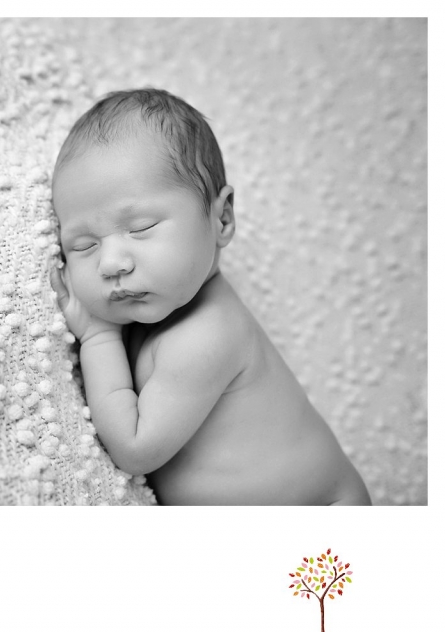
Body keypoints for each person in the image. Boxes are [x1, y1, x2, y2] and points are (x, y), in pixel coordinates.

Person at [49, 88, 371, 505]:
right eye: (83, 245)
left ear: (221, 218)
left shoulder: (207, 335)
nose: (111, 263)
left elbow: (134, 449)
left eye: (142, 227)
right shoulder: (154, 312)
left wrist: (97, 338)